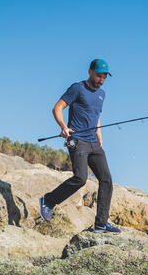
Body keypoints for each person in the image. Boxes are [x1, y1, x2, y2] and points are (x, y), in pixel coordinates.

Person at [39, 59, 121, 233]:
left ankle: (100, 223)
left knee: (107, 180)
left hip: (94, 142)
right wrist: (63, 127)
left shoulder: (102, 94)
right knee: (81, 178)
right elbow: (57, 108)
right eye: (99, 75)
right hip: (76, 140)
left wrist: (99, 134)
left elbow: (95, 115)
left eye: (105, 77)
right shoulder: (77, 88)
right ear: (90, 71)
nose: (101, 80)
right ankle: (49, 200)